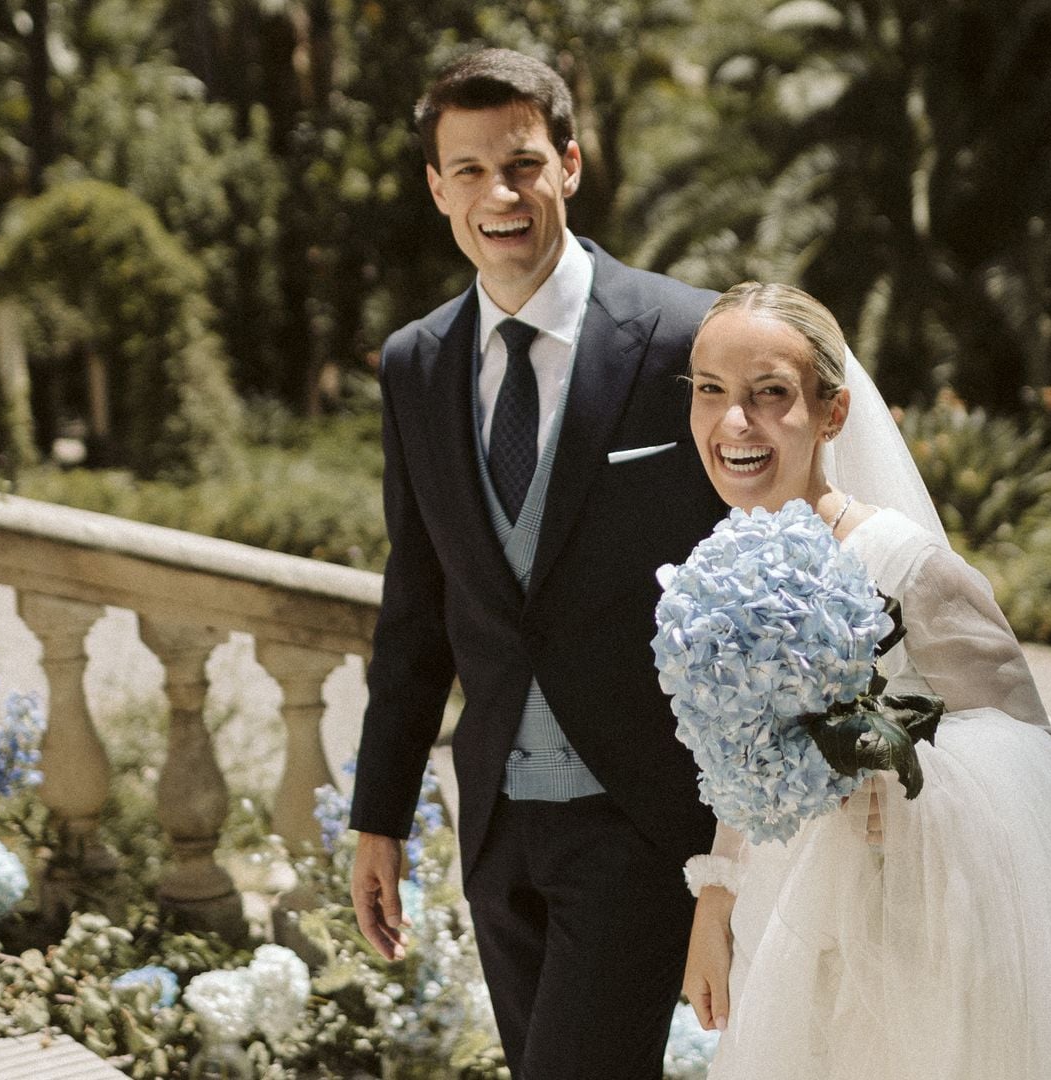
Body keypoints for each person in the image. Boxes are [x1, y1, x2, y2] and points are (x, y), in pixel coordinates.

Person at [345, 48, 724, 1079]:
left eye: (519, 164)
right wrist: (378, 815)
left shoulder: (684, 336)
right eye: (466, 171)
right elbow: (416, 612)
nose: (497, 195)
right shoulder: (416, 365)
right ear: (435, 189)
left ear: (569, 164)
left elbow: (763, 558)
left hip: (642, 819)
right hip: (499, 825)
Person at [679, 282, 1051, 1078]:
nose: (735, 422)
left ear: (832, 414)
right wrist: (716, 900)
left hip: (917, 945)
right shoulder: (723, 563)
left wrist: (896, 782)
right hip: (787, 929)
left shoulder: (905, 565)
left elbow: (1032, 757)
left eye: (770, 394)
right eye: (711, 391)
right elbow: (744, 755)